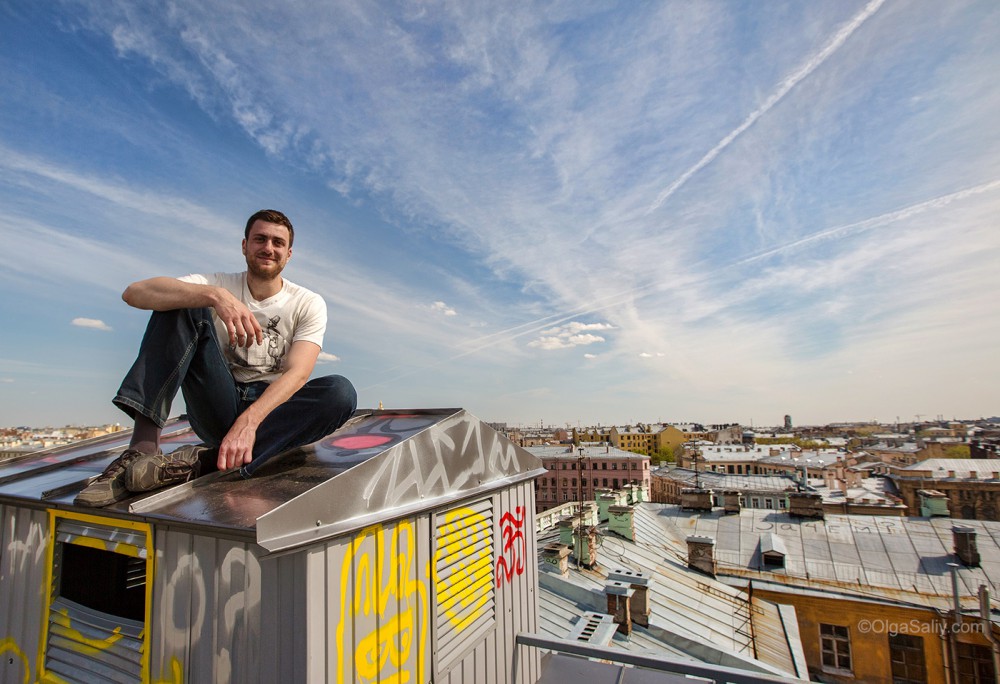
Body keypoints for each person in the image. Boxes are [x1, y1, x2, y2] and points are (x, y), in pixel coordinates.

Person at [76, 209, 357, 507]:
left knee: (340, 392)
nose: (268, 248)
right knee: (182, 301)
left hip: (270, 411)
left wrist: (249, 423)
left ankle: (204, 461)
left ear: (289, 254)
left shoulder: (307, 302)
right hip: (218, 400)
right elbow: (133, 293)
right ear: (244, 246)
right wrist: (214, 297)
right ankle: (140, 452)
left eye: (277, 242)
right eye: (260, 239)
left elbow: (297, 374)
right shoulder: (218, 284)